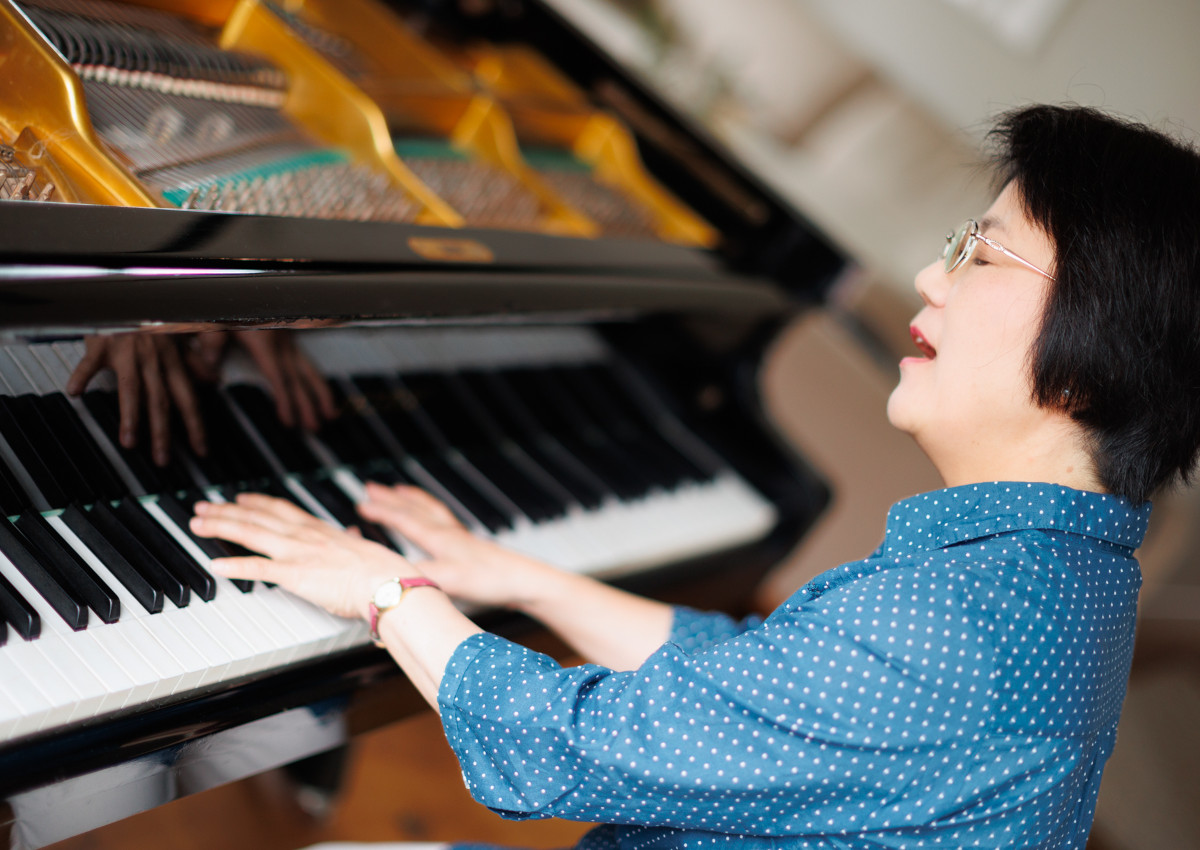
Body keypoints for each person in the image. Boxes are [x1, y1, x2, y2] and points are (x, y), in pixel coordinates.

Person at [188, 104, 1200, 848]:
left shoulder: (962, 633)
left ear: (1094, 346)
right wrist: (519, 576)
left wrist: (384, 587)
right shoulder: (1061, 577)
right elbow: (755, 684)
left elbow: (557, 748)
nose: (935, 278)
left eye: (981, 254)